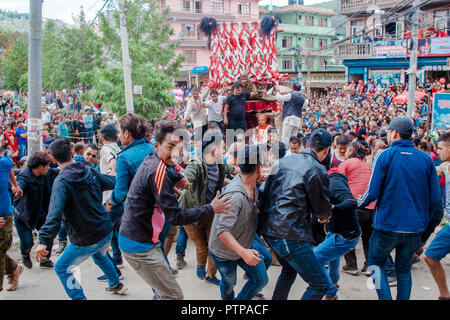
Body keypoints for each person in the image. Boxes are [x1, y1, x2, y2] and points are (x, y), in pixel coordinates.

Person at [118, 120, 232, 300]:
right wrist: (211, 208)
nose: (176, 153)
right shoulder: (158, 170)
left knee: (163, 292)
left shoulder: (158, 160)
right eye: (171, 146)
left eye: (180, 148)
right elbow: (176, 216)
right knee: (174, 296)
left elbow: (169, 168)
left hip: (147, 239)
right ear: (157, 145)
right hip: (138, 245)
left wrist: (178, 176)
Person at [357, 116, 442, 300]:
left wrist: (356, 204)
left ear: (394, 133)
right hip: (414, 229)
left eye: (388, 131)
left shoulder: (384, 155)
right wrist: (424, 235)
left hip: (386, 227)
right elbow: (436, 203)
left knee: (375, 264)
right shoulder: (426, 159)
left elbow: (371, 193)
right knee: (403, 271)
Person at [35, 139, 127, 300]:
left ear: (54, 160)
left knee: (62, 267)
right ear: (72, 153)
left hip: (86, 237)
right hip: (104, 230)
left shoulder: (62, 182)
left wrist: (43, 240)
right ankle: (115, 284)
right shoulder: (88, 171)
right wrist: (116, 175)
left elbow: (54, 215)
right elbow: (112, 182)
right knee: (100, 254)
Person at [259, 129, 336, 300]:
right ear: (327, 150)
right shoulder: (317, 169)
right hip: (289, 233)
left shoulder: (282, 162)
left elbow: (263, 191)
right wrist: (325, 215)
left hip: (270, 229)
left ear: (307, 144)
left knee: (289, 270)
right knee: (320, 284)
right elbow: (322, 209)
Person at [209, 145, 269, 300]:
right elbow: (222, 231)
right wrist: (243, 253)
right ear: (259, 167)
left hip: (245, 238)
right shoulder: (235, 196)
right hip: (224, 250)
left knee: (263, 273)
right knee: (229, 285)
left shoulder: (251, 183)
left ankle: (250, 291)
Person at [179, 130, 236, 285]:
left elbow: (235, 170)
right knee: (203, 248)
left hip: (211, 212)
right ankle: (200, 267)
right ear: (213, 150)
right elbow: (187, 176)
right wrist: (182, 181)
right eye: (223, 148)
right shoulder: (197, 164)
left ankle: (210, 276)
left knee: (215, 247)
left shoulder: (220, 164)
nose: (225, 151)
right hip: (191, 214)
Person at [313, 166, 361, 298]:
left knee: (313, 259)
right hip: (336, 232)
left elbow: (352, 202)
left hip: (345, 236)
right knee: (333, 258)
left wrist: (333, 208)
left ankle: (331, 292)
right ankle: (333, 282)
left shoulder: (334, 182)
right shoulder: (329, 182)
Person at [13, 151, 58, 269]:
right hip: (24, 215)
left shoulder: (46, 173)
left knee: (48, 235)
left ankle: (44, 259)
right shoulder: (24, 176)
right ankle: (25, 254)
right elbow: (19, 185)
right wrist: (18, 190)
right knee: (28, 242)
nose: (49, 167)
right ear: (40, 167)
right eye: (47, 165)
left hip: (41, 213)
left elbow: (59, 171)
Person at [424, 131, 450, 300]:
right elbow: (433, 172)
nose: (438, 151)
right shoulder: (445, 167)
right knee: (430, 256)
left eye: (440, 148)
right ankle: (444, 295)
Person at [97, 124, 124, 281]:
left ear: (102, 138)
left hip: (109, 200)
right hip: (118, 198)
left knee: (100, 236)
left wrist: (111, 172)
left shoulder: (106, 149)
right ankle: (117, 259)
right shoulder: (119, 148)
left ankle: (113, 271)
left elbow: (112, 162)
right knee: (113, 231)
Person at [0, 145, 23, 292]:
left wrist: (15, 185)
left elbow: (8, 170)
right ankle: (14, 269)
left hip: (4, 214)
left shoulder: (4, 162)